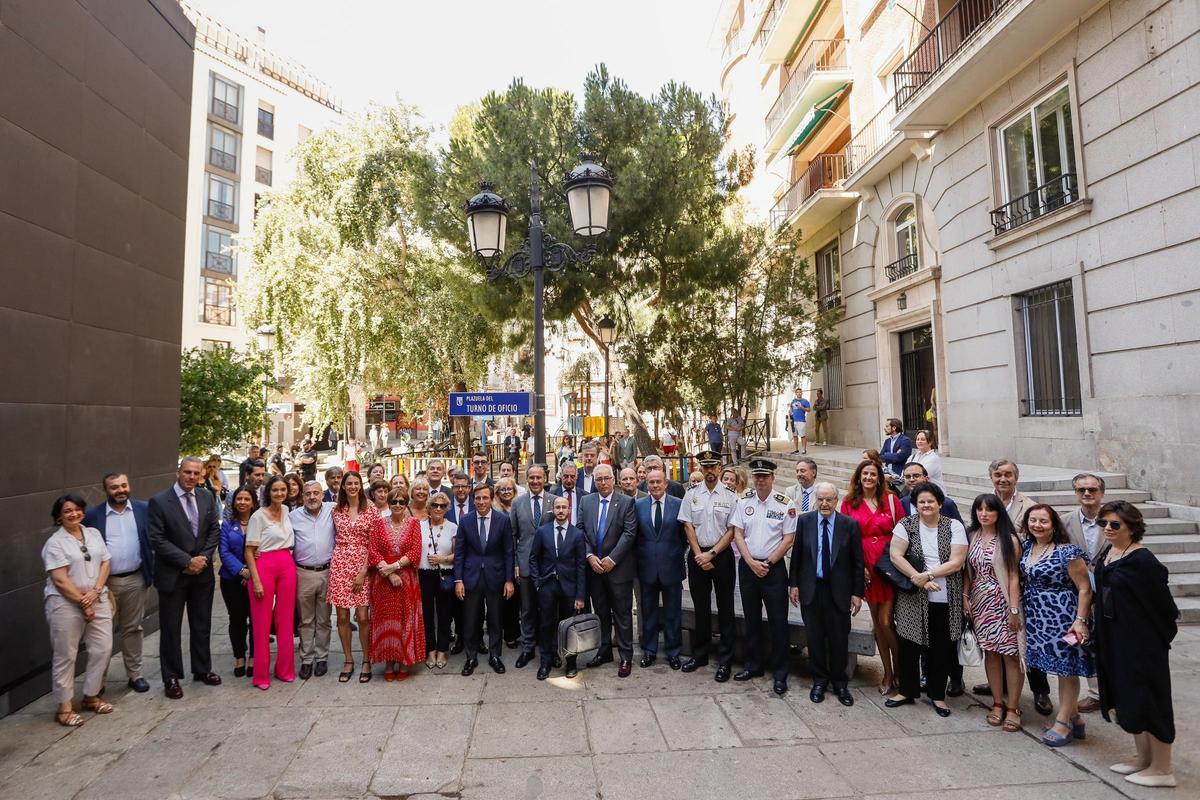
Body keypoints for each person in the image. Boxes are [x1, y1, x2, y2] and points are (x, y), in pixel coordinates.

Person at [1093, 501, 1179, 787]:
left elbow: (1165, 608)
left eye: (1114, 524)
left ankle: (1162, 768)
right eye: (1103, 523)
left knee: (1151, 699)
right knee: (1127, 696)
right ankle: (1144, 758)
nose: (1107, 528)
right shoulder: (1110, 551)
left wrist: (1153, 641)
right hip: (1114, 636)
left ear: (1132, 526)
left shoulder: (1144, 561)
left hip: (1141, 642)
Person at [885, 481, 967, 717]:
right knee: (909, 643)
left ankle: (937, 695)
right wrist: (917, 578)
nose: (926, 505)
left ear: (940, 503)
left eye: (931, 501)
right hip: (913, 595)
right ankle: (906, 691)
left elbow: (956, 562)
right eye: (921, 502)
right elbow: (895, 555)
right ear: (915, 505)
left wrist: (928, 575)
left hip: (944, 595)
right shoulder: (906, 525)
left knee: (940, 647)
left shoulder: (953, 526)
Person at [147, 457, 223, 698]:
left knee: (201, 625)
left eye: (196, 473)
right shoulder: (159, 502)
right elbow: (156, 539)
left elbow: (214, 530)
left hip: (202, 574)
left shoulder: (206, 497)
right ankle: (171, 676)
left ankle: (202, 669)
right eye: (187, 472)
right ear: (178, 472)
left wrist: (201, 559)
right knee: (171, 628)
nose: (191, 477)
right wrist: (186, 561)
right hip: (173, 575)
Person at [1021, 503, 1094, 746]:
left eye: (1043, 521)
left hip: (1063, 617)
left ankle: (1063, 723)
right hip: (1036, 618)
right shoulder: (1026, 547)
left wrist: (1080, 621)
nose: (1037, 525)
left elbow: (1085, 588)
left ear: (1054, 525)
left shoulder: (1067, 552)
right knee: (1054, 668)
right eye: (1033, 521)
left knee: (1066, 670)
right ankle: (1074, 717)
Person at [789, 482, 864, 706]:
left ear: (836, 500)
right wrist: (794, 584)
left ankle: (840, 683)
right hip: (811, 589)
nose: (824, 503)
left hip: (838, 591)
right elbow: (798, 555)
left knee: (839, 638)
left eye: (829, 499)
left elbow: (857, 562)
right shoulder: (805, 521)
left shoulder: (849, 525)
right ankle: (819, 681)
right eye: (820, 499)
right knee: (815, 638)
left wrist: (857, 593)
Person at [43, 495, 114, 726]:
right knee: (66, 655)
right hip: (65, 604)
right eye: (67, 511)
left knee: (103, 648)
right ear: (59, 517)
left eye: (76, 509)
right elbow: (60, 580)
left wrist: (96, 591)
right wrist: (84, 603)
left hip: (97, 597)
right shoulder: (55, 543)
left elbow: (105, 562)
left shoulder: (93, 533)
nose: (73, 514)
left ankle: (91, 696)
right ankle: (64, 707)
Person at [731, 458, 798, 695]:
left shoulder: (785, 504)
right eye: (757, 476)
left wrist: (767, 563)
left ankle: (780, 672)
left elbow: (788, 539)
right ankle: (754, 665)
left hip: (773, 570)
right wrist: (750, 562)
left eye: (765, 477)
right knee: (751, 619)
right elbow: (738, 534)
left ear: (772, 478)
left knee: (778, 622)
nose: (760, 481)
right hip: (748, 567)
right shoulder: (744, 501)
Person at [839, 460, 905, 696]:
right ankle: (888, 672)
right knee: (878, 624)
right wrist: (859, 569)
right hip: (865, 568)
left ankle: (899, 671)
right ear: (858, 477)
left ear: (880, 478)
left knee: (887, 622)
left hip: (889, 567)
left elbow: (903, 532)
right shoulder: (849, 503)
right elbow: (845, 537)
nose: (868, 477)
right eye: (864, 473)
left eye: (873, 474)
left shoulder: (891, 500)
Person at [83, 473, 152, 693]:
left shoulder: (144, 509)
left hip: (135, 579)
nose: (120, 490)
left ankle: (135, 675)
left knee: (133, 629)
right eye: (114, 487)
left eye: (124, 485)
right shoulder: (93, 516)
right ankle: (98, 682)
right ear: (106, 490)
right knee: (101, 633)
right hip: (104, 585)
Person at [963, 494, 1024, 732]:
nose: (984, 514)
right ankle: (997, 703)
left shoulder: (1009, 539)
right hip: (980, 602)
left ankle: (1013, 707)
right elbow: (969, 572)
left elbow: (1013, 576)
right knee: (990, 652)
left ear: (999, 512)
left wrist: (1014, 609)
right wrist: (966, 597)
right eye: (980, 509)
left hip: (1003, 601)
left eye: (989, 509)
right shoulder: (972, 536)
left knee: (1010, 653)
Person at [678, 449, 738, 681]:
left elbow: (733, 530)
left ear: (720, 468)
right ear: (700, 469)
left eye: (713, 467)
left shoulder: (731, 496)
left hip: (720, 556)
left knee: (726, 609)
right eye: (705, 467)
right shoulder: (691, 494)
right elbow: (687, 526)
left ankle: (725, 660)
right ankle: (700, 654)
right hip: (697, 556)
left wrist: (711, 554)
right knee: (700, 607)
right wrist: (698, 555)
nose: (710, 472)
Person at [579, 463, 638, 677]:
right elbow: (581, 530)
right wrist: (589, 556)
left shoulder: (626, 502)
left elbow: (630, 533)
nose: (603, 483)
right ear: (594, 482)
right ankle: (604, 651)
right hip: (595, 569)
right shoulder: (586, 501)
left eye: (606, 478)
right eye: (599, 479)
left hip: (618, 569)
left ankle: (625, 656)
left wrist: (613, 559)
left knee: (622, 614)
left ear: (614, 480)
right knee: (601, 612)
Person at [454, 484, 515, 676]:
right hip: (471, 577)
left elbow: (508, 552)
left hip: (496, 577)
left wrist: (509, 580)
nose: (481, 502)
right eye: (478, 498)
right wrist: (458, 580)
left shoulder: (503, 520)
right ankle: (471, 657)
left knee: (496, 620)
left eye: (485, 498)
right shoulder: (465, 521)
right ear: (474, 500)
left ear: (491, 499)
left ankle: (495, 655)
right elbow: (460, 554)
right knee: (471, 620)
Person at [244, 475, 297, 690]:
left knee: (285, 620)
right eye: (275, 490)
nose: (279, 494)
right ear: (268, 492)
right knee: (261, 622)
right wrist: (255, 580)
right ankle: (260, 674)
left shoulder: (286, 511)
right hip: (264, 565)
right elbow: (249, 551)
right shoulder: (258, 516)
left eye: (283, 490)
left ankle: (285, 669)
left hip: (286, 563)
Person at [1062, 472, 1108, 713]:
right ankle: (1096, 693)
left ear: (1101, 492)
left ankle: (1118, 695)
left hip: (1111, 592)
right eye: (1082, 490)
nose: (1087, 494)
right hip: (1078, 592)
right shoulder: (1066, 521)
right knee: (1086, 641)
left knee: (1114, 644)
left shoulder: (1115, 519)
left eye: (1092, 489)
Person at [369, 487, 425, 681]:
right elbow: (373, 551)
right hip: (383, 580)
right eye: (394, 502)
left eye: (402, 502)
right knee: (386, 620)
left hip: (406, 578)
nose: (398, 505)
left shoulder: (414, 524)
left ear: (406, 503)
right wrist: (388, 571)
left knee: (404, 620)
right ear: (389, 504)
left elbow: (415, 551)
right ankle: (388, 661)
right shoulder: (378, 524)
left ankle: (403, 661)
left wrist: (394, 566)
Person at [530, 494, 587, 679]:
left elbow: (580, 566)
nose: (561, 511)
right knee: (546, 624)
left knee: (569, 627)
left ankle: (571, 663)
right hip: (547, 586)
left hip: (569, 588)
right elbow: (533, 559)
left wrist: (580, 595)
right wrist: (537, 582)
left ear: (569, 510)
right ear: (553, 510)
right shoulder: (542, 531)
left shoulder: (577, 534)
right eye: (558, 507)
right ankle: (545, 662)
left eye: (564, 507)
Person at [328, 470, 376, 683]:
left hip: (363, 566)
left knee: (364, 617)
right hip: (340, 565)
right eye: (349, 483)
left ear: (361, 485)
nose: (352, 486)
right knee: (342, 617)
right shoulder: (337, 510)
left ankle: (366, 658)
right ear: (343, 486)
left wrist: (364, 571)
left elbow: (374, 544)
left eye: (356, 483)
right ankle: (348, 659)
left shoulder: (371, 509)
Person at [635, 469, 685, 669]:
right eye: (651, 482)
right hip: (646, 568)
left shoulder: (678, 504)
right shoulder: (638, 506)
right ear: (646, 485)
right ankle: (649, 651)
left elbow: (684, 537)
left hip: (671, 566)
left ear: (666, 484)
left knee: (673, 612)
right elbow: (635, 536)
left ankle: (673, 652)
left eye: (658, 482)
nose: (655, 485)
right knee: (649, 612)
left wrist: (674, 554)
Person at [290, 481, 335, 679]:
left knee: (324, 619)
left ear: (322, 494)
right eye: (308, 493)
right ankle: (307, 659)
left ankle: (322, 657)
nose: (312, 497)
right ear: (302, 496)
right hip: (303, 573)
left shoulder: (333, 510)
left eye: (316, 493)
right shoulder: (293, 516)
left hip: (328, 571)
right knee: (306, 620)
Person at [511, 465, 552, 669]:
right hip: (526, 564)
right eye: (532, 478)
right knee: (527, 609)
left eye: (539, 477)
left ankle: (549, 647)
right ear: (526, 479)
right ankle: (528, 648)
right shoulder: (518, 503)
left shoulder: (555, 502)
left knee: (548, 609)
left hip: (549, 566)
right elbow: (513, 536)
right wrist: (516, 563)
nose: (535, 481)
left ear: (546, 478)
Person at [219, 486, 256, 678]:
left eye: (246, 499)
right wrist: (242, 571)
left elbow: (264, 548)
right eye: (239, 499)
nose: (242, 502)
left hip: (256, 577)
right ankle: (239, 656)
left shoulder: (260, 522)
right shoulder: (227, 524)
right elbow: (223, 552)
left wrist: (251, 572)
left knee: (256, 619)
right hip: (231, 579)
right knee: (237, 619)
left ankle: (254, 658)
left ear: (253, 502)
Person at [420, 490, 457, 669]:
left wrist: (442, 559)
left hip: (444, 574)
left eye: (442, 506)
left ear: (446, 508)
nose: (438, 508)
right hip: (423, 574)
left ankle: (442, 650)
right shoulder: (419, 525)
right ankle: (430, 650)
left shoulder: (452, 527)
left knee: (444, 614)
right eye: (435, 505)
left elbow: (458, 554)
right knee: (427, 614)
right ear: (429, 506)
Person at [552, 461, 582, 527]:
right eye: (566, 476)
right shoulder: (552, 495)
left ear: (577, 476)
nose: (569, 480)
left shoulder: (584, 496)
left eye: (572, 476)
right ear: (561, 476)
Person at [789, 388, 811, 455]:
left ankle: (804, 450)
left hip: (801, 421)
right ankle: (796, 450)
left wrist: (802, 408)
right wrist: (790, 412)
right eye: (797, 392)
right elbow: (791, 408)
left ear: (802, 393)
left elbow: (809, 410)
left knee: (802, 436)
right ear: (796, 393)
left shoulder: (805, 401)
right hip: (794, 421)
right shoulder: (793, 401)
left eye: (800, 392)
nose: (799, 393)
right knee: (795, 436)